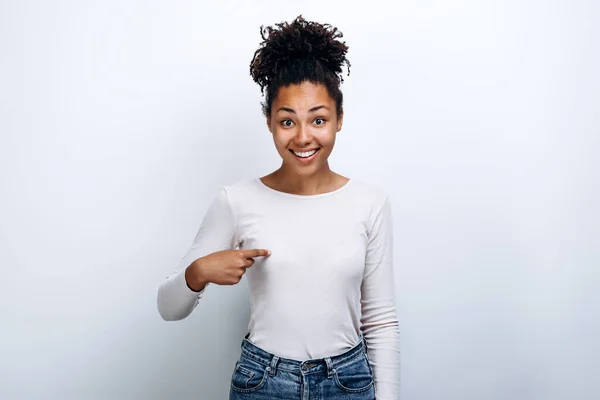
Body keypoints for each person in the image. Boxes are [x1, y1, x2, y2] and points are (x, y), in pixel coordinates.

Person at [157, 15, 401, 400]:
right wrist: (198, 272)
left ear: (339, 119)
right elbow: (168, 308)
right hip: (264, 382)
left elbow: (381, 321)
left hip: (348, 382)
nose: (303, 137)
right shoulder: (236, 201)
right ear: (269, 122)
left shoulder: (370, 203)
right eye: (287, 121)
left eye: (318, 119)